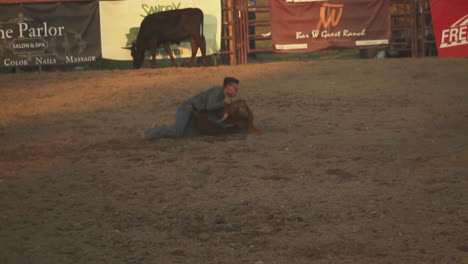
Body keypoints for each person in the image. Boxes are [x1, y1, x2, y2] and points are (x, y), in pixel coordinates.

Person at [142, 77, 240, 140]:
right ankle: (151, 132)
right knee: (177, 133)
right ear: (229, 87)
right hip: (187, 108)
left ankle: (159, 129)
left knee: (184, 135)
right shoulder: (218, 91)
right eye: (236, 88)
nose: (236, 91)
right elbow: (210, 107)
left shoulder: (220, 95)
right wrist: (224, 103)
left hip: (192, 113)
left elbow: (211, 115)